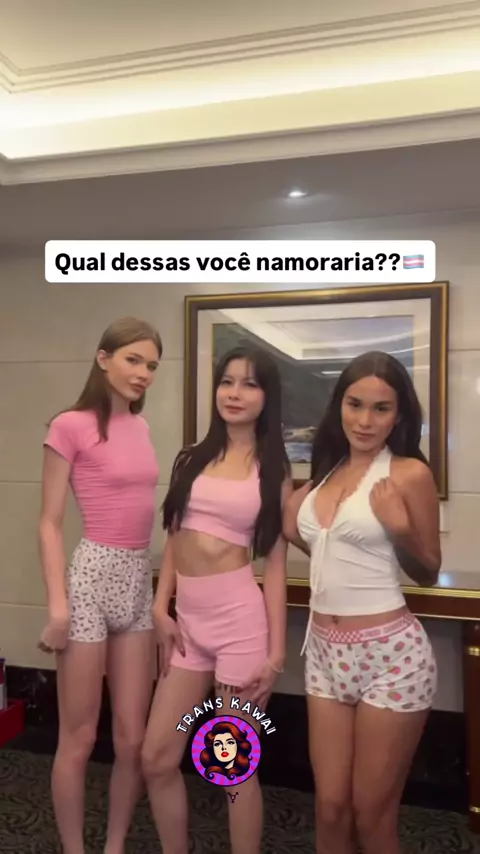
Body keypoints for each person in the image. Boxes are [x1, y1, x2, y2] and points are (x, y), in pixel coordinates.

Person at [283, 351, 441, 854]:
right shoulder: (324, 477)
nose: (365, 420)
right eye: (355, 404)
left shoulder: (408, 474)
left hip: (391, 657)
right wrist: (294, 516)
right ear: (339, 405)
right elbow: (324, 548)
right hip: (325, 655)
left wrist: (400, 529)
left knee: (371, 815)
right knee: (330, 808)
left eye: (381, 408)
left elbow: (428, 570)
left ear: (399, 415)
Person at [141, 346, 292, 854]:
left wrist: (275, 655)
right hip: (187, 625)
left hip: (239, 625)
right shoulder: (191, 457)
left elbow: (274, 565)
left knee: (231, 767)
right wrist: (160, 608)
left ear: (266, 396)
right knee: (156, 757)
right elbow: (175, 536)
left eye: (249, 384)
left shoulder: (272, 468)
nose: (234, 393)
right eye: (227, 381)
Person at [37, 317, 162, 854]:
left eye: (152, 365)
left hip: (136, 579)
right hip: (90, 577)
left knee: (132, 739)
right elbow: (48, 523)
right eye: (134, 359)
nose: (143, 373)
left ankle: (113, 846)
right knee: (80, 736)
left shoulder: (142, 427)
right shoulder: (69, 425)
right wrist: (58, 607)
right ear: (103, 358)